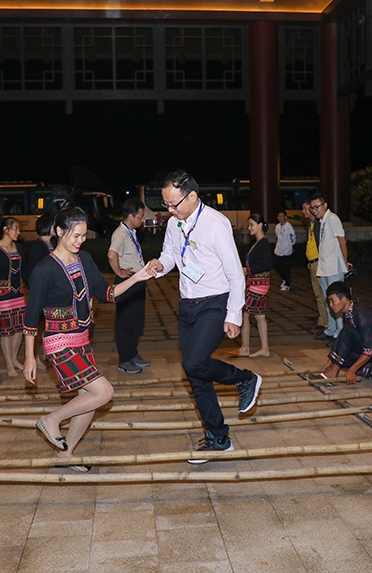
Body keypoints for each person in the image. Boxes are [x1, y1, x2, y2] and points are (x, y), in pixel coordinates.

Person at [23, 208, 153, 470]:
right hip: (59, 342)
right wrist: (29, 357)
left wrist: (138, 277)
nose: (80, 241)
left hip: (81, 339)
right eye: (75, 236)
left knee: (89, 401)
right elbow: (31, 316)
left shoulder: (84, 259)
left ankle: (65, 455)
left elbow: (107, 293)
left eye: (84, 236)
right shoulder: (44, 269)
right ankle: (51, 419)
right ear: (59, 231)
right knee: (104, 391)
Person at [149, 170, 262, 463]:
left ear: (192, 196)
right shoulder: (174, 223)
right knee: (195, 374)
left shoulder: (215, 224)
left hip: (214, 302)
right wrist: (160, 265)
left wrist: (233, 315)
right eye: (166, 204)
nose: (170, 210)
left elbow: (236, 273)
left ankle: (245, 379)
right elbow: (170, 254)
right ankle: (218, 438)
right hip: (187, 304)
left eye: (173, 204)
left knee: (194, 362)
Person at [107, 198, 151, 373]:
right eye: (140, 217)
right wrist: (119, 273)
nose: (142, 220)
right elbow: (111, 254)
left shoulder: (130, 232)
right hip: (127, 283)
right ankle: (124, 360)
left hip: (136, 282)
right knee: (126, 322)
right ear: (131, 216)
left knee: (136, 321)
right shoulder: (120, 234)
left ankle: (132, 354)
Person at [0, 216, 30, 378]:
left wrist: (33, 287)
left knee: (19, 329)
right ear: (6, 229)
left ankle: (14, 358)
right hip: (2, 295)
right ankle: (9, 364)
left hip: (18, 294)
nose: (18, 232)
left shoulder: (18, 247)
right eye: (15, 228)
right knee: (6, 331)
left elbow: (25, 270)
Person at [320, 281, 372, 385]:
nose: (330, 305)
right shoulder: (349, 313)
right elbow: (345, 343)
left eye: (332, 301)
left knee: (347, 331)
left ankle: (333, 372)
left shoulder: (362, 313)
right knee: (344, 353)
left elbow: (370, 349)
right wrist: (332, 361)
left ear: (344, 299)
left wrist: (352, 370)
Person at [229, 213, 271, 358]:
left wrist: (248, 270)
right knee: (259, 316)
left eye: (252, 225)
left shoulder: (263, 243)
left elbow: (267, 264)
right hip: (259, 284)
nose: (249, 228)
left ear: (260, 225)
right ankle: (264, 349)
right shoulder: (259, 243)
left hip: (257, 285)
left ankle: (245, 348)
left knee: (245, 314)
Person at [310, 193, 349, 342]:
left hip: (333, 267)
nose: (314, 210)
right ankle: (331, 329)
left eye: (317, 207)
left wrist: (345, 261)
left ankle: (340, 332)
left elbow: (342, 241)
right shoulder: (323, 221)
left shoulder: (332, 218)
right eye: (312, 208)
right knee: (328, 300)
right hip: (324, 267)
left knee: (336, 300)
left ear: (325, 205)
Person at [26, 214, 54, 370]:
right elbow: (35, 270)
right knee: (37, 325)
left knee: (47, 325)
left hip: (50, 291)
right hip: (42, 291)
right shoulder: (39, 246)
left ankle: (47, 354)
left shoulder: (51, 244)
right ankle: (34, 357)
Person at [303, 199, 330, 337]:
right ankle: (322, 320)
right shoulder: (311, 224)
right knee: (318, 294)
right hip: (313, 263)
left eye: (305, 209)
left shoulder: (321, 223)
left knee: (324, 293)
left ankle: (328, 324)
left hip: (320, 262)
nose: (303, 212)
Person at [272, 209, 295, 291]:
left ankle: (287, 284)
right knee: (276, 266)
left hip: (286, 251)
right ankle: (284, 279)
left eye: (282, 216)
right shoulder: (277, 227)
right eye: (279, 216)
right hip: (278, 250)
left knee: (286, 268)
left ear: (285, 217)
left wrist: (289, 246)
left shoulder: (289, 227)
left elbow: (292, 238)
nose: (280, 218)